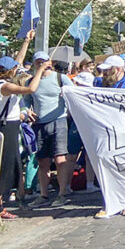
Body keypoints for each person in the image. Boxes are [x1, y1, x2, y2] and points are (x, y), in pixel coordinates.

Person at [0, 55, 48, 219]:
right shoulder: (4, 86)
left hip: (12, 126)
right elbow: (30, 89)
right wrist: (40, 70)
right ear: (11, 70)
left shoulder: (0, 82)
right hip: (6, 128)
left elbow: (18, 59)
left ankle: (2, 204)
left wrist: (26, 41)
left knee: (14, 166)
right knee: (5, 169)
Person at [23, 51, 75, 209]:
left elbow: (75, 94)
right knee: (42, 161)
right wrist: (27, 111)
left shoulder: (60, 78)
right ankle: (43, 194)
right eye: (38, 62)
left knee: (60, 159)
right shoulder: (31, 82)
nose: (42, 64)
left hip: (58, 120)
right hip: (40, 123)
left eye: (44, 61)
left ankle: (62, 193)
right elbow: (25, 101)